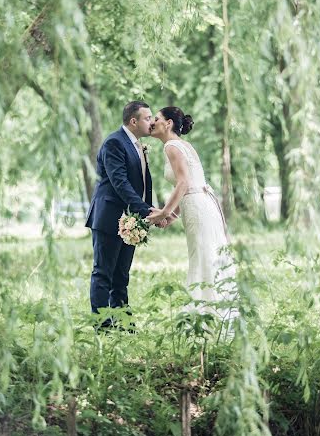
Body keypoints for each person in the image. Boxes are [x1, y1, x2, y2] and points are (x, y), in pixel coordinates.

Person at [147, 106, 236, 314]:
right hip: (202, 204)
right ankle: (216, 310)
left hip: (198, 207)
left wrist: (164, 212)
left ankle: (205, 314)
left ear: (168, 124)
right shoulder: (184, 144)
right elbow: (193, 185)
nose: (152, 122)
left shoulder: (171, 146)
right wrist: (174, 215)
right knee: (207, 254)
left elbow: (184, 183)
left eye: (156, 118)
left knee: (202, 256)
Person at [85, 100, 154, 331]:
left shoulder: (138, 145)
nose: (152, 122)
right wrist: (146, 210)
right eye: (147, 118)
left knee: (121, 276)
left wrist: (148, 212)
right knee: (103, 273)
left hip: (130, 221)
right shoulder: (115, 142)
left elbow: (143, 182)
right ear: (133, 121)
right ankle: (102, 327)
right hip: (108, 217)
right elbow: (120, 183)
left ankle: (124, 324)